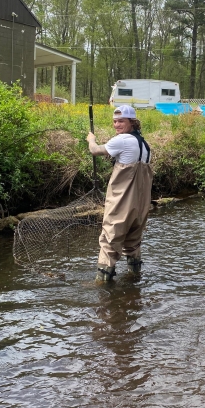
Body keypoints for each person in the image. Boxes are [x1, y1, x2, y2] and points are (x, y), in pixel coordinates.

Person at [86, 105, 153, 282]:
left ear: (132, 122)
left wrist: (91, 139)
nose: (117, 125)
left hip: (121, 203)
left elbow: (95, 151)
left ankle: (102, 286)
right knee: (133, 242)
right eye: (115, 121)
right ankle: (134, 278)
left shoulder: (122, 140)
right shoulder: (145, 145)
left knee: (109, 242)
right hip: (141, 206)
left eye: (121, 121)